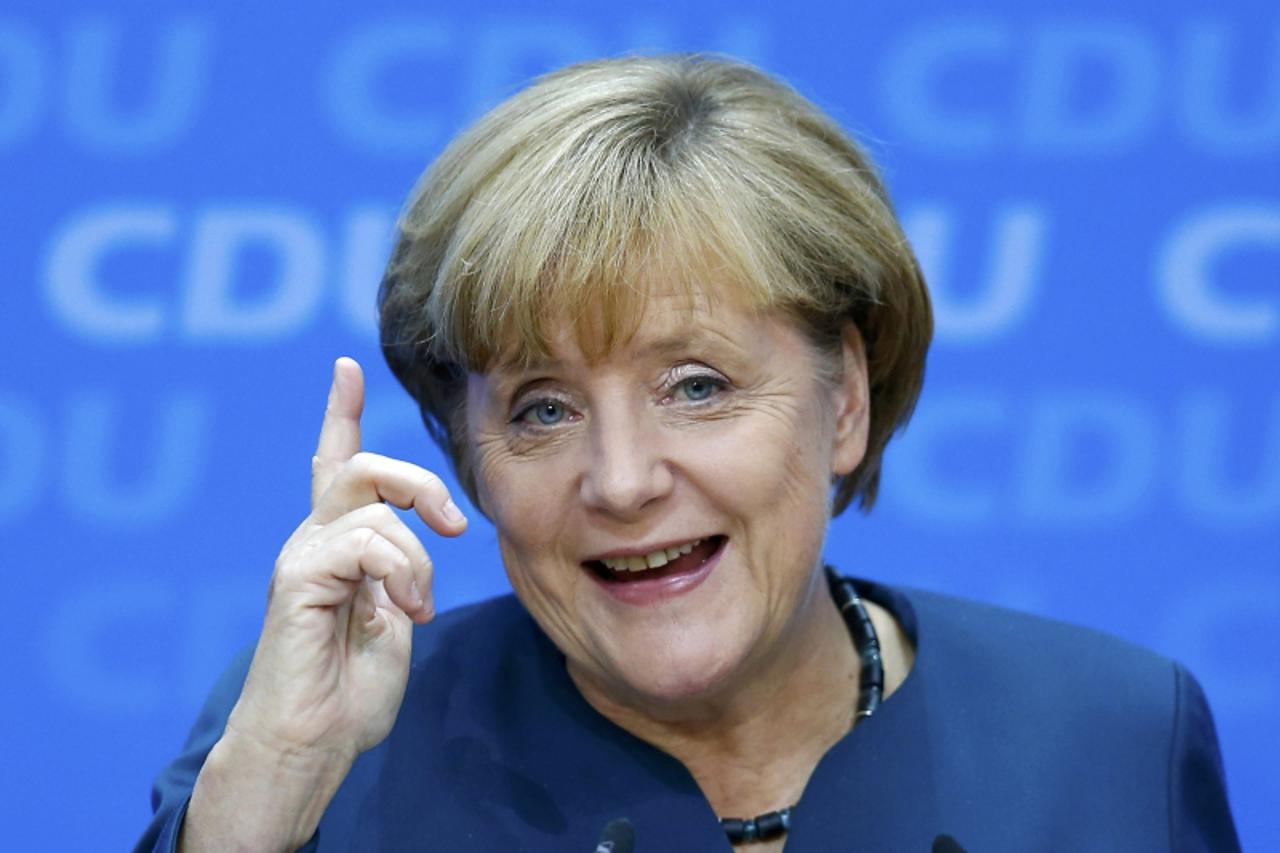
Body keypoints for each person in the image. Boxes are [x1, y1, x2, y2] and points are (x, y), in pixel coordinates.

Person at [137, 54, 1240, 852]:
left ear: (843, 398)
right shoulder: (325, 744)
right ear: (464, 459)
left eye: (696, 387)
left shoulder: (1111, 736)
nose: (622, 480)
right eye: (541, 410)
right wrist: (272, 799)